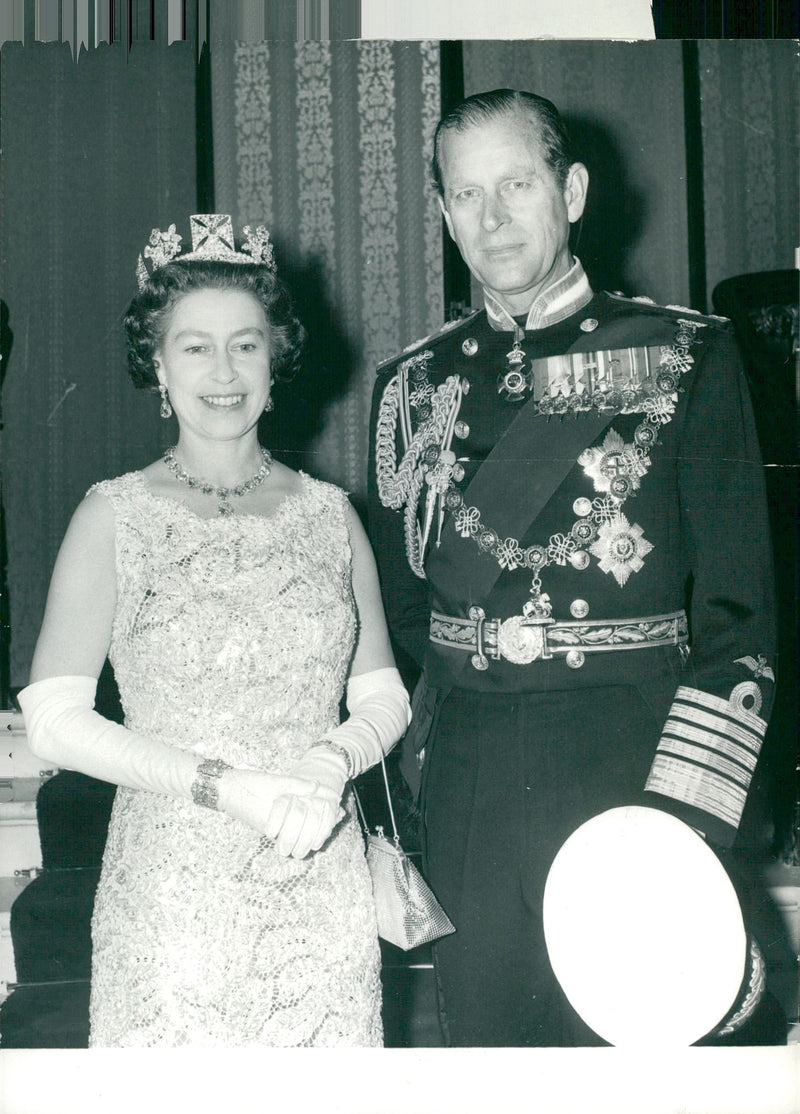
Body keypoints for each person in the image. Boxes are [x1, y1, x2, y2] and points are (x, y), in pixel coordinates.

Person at [367, 90, 778, 1047]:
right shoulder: (412, 384)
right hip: (469, 777)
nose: (494, 216)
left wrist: (683, 821)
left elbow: (738, 621)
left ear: (575, 189)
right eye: (467, 194)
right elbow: (394, 621)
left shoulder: (683, 357)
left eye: (517, 183)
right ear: (443, 213)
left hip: (632, 757)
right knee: (498, 1068)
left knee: (647, 1073)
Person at [18, 214, 411, 1047]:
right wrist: (224, 786)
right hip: (173, 894)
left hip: (319, 885)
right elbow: (54, 719)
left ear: (277, 361)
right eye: (194, 347)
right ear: (157, 366)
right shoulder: (112, 514)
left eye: (246, 345)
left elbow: (382, 695)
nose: (223, 371)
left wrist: (326, 759)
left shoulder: (331, 516)